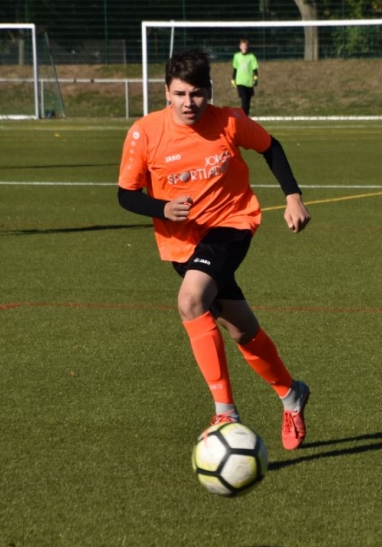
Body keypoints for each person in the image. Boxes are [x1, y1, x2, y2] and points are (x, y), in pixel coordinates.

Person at [117, 49, 311, 451]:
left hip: (231, 225)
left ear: (209, 90)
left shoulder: (230, 121)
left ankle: (225, 412)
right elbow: (126, 194)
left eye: (197, 93)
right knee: (241, 330)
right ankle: (291, 394)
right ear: (166, 92)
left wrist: (293, 196)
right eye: (180, 94)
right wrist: (162, 209)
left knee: (190, 300)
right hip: (182, 244)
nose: (189, 103)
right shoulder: (144, 133)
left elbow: (271, 147)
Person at [231, 39, 259, 116]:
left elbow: (255, 69)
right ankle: (243, 117)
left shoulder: (251, 57)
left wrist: (256, 78)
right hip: (240, 82)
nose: (245, 48)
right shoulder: (236, 56)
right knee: (244, 99)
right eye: (243, 46)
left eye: (246, 46)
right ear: (240, 47)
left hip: (249, 82)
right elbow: (235, 69)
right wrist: (233, 80)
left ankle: (245, 117)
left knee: (247, 103)